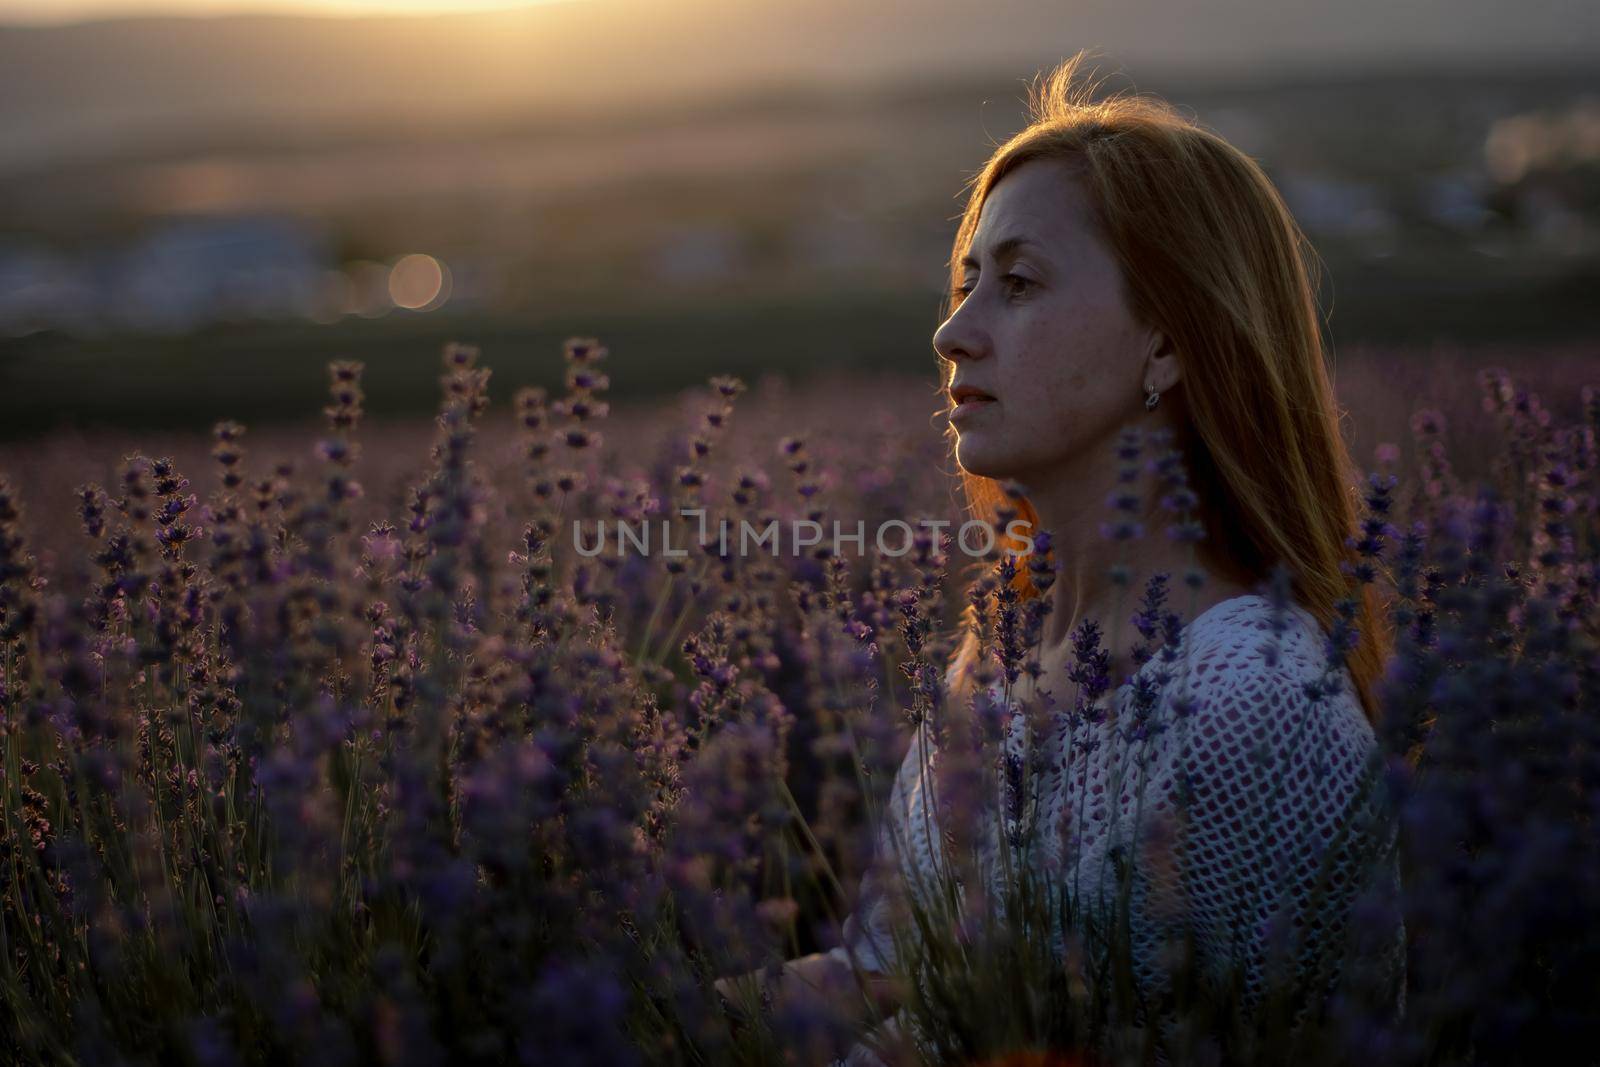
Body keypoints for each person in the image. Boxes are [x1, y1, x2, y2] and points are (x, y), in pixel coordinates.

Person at [718, 50, 1406, 1062]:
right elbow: (884, 967)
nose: (954, 332)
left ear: (1168, 345)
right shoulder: (990, 657)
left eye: (1019, 283)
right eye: (964, 284)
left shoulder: (1248, 699)